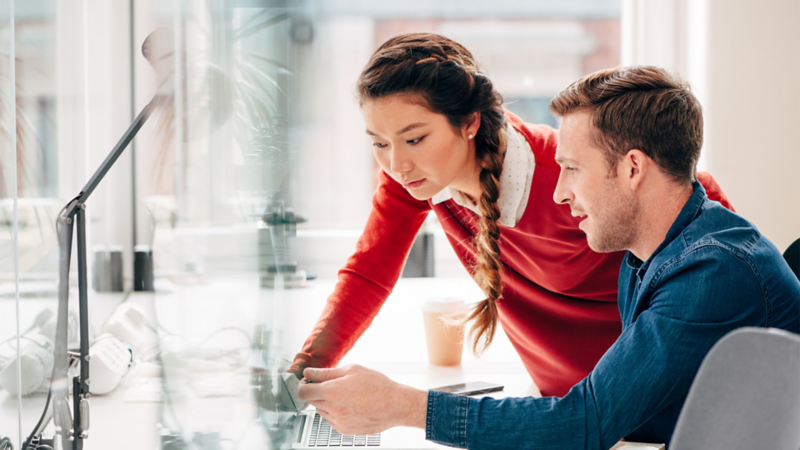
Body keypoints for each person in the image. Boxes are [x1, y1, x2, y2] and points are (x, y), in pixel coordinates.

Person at [296, 65, 800, 448]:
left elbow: (586, 423)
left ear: (632, 169)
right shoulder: (646, 250)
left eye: (572, 169)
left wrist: (403, 406)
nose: (558, 192)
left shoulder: (709, 270)